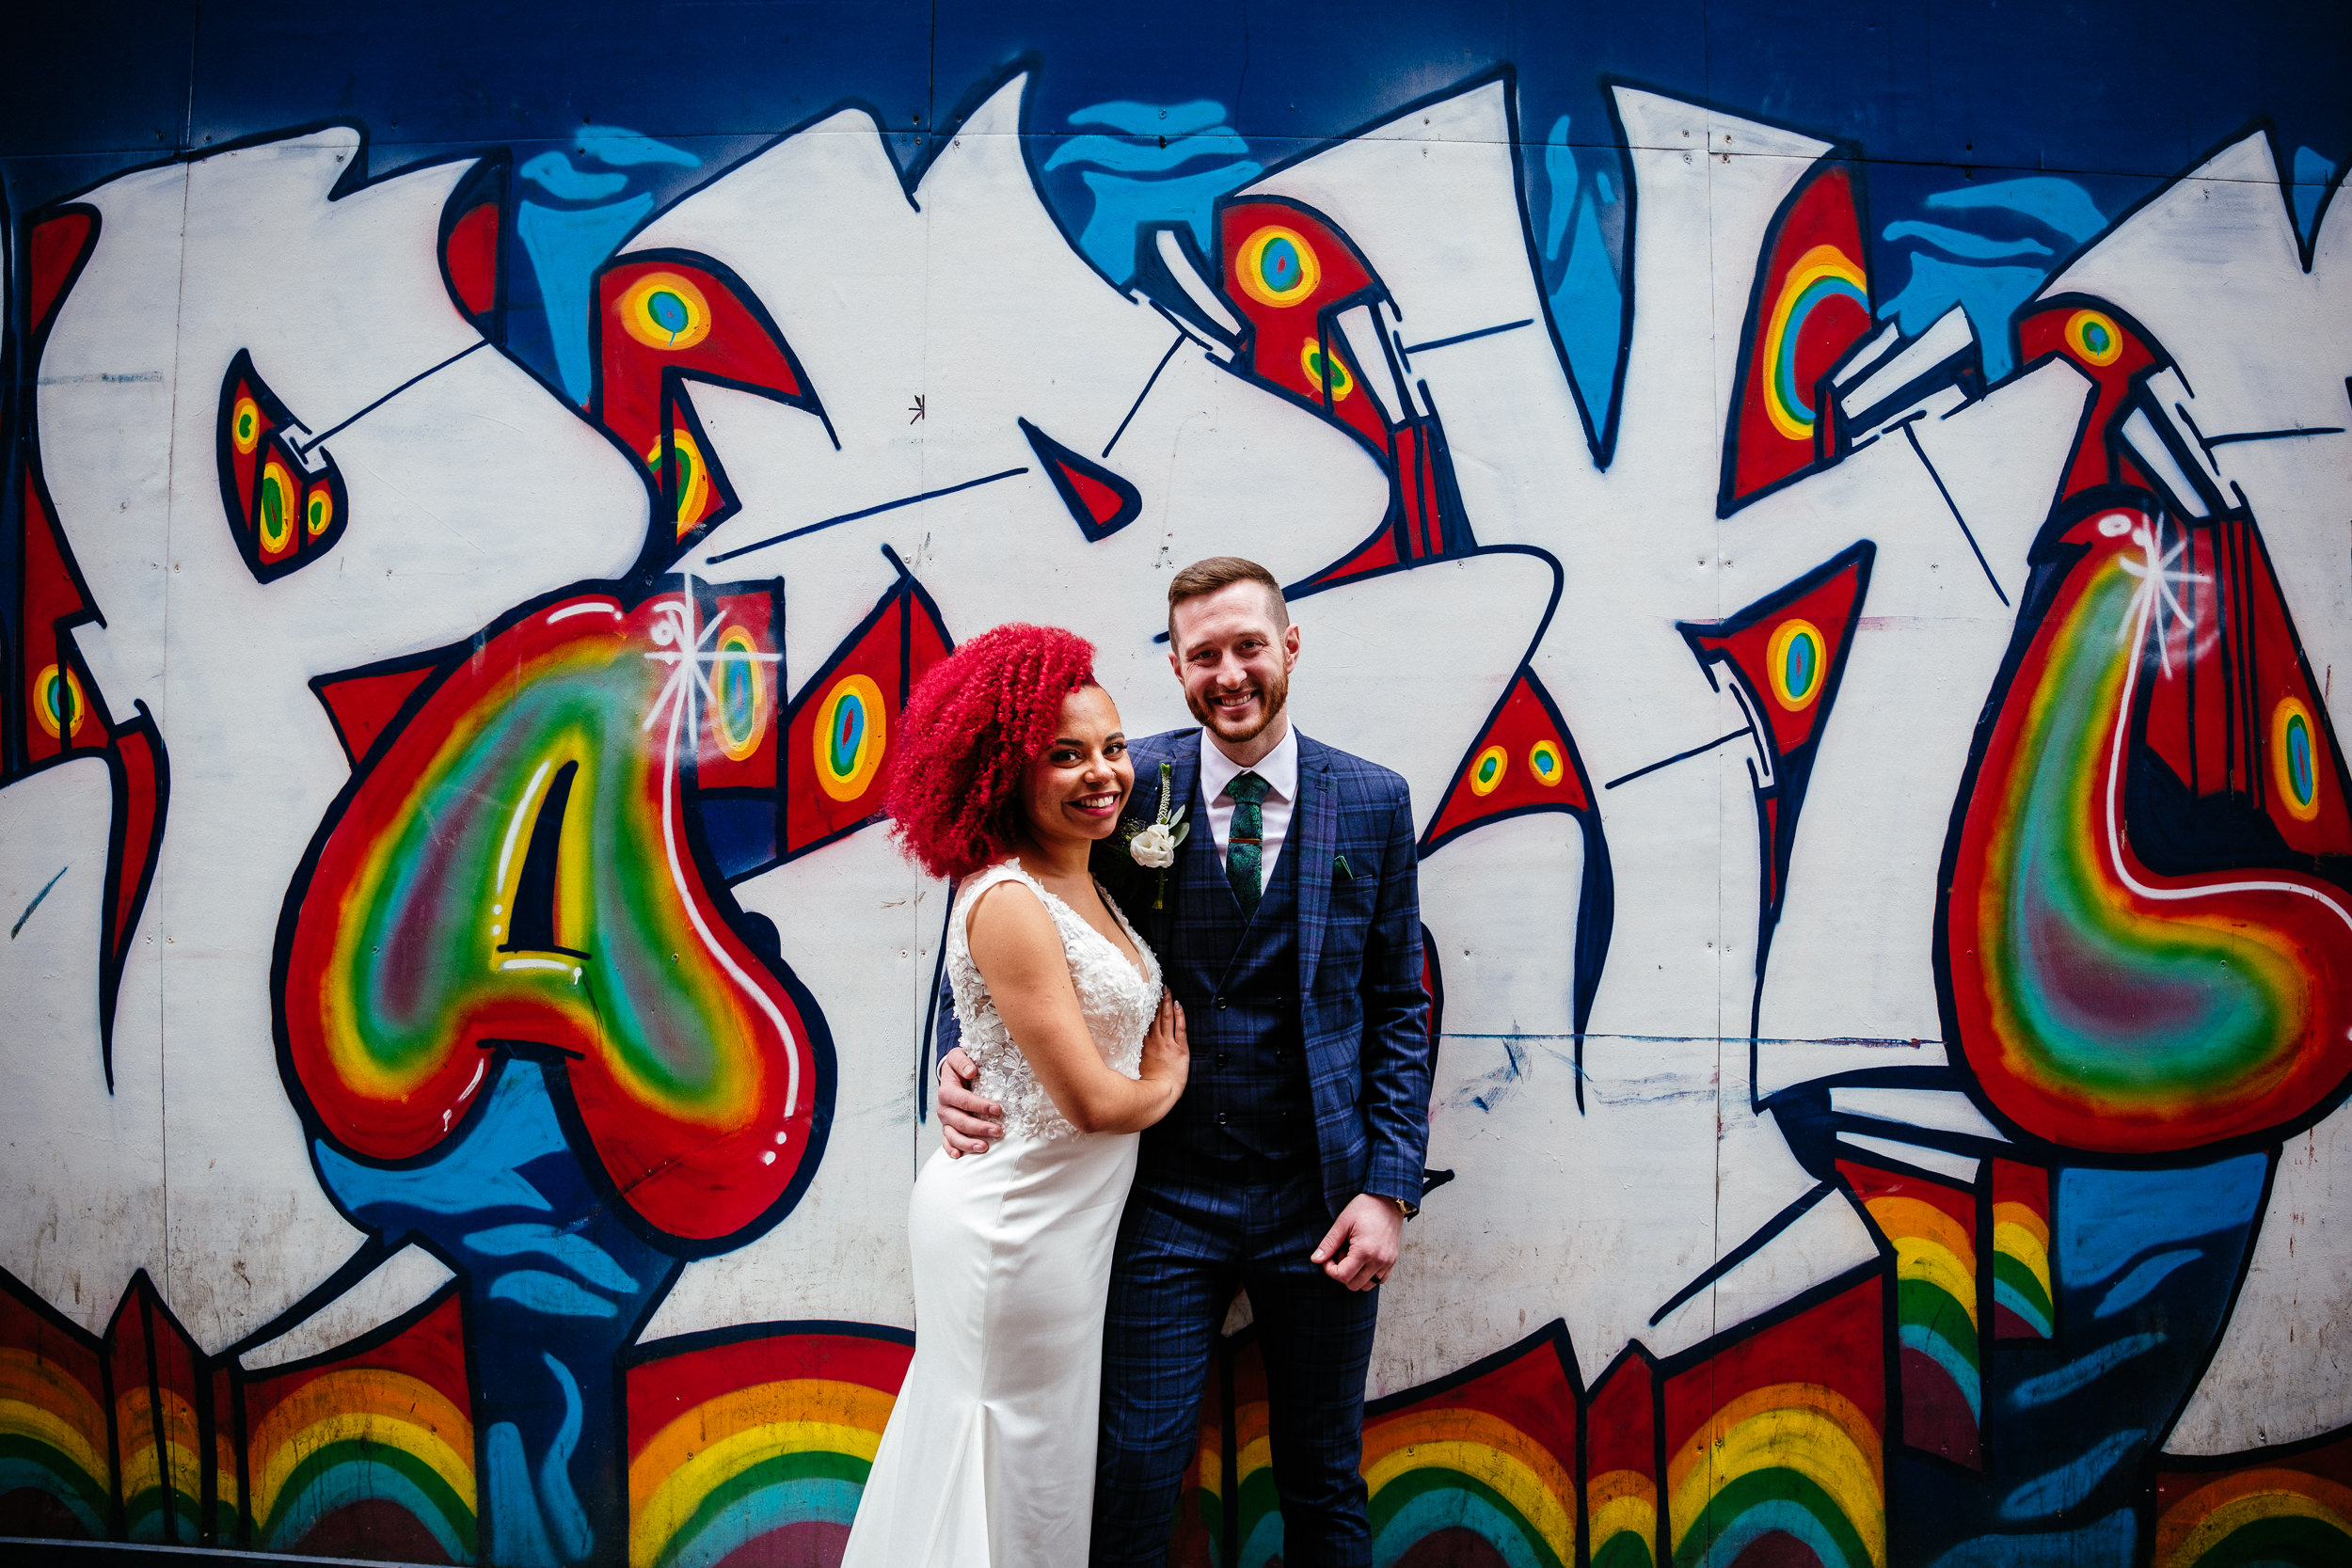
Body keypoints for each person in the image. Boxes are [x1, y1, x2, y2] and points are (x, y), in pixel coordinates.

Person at [937, 558, 1434, 1567]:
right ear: (1175, 664)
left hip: (1321, 1195)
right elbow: (1013, 917)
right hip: (1161, 1198)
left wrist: (1388, 1187)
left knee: (1323, 1476)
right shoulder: (1122, 779)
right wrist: (961, 1058)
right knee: (1132, 1469)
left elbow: (1397, 1006)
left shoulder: (1374, 801)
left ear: (1288, 646)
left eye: (1248, 645)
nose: (1229, 673)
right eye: (1202, 653)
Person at [842, 622, 1191, 1568]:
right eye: (1065, 754)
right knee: (1005, 1447)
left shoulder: (1088, 878)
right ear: (1004, 769)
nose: (1103, 773)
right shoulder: (1006, 897)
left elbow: (1003, 1035)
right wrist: (1164, 1077)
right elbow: (1089, 1100)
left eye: (1114, 748)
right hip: (1014, 1227)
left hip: (1067, 1225)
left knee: (1036, 1458)